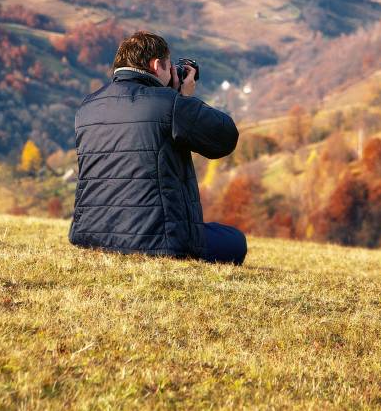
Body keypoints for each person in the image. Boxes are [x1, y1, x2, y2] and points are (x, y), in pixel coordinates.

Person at [68, 31, 247, 265]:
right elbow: (225, 138)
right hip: (159, 240)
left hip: (91, 235)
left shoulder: (87, 107)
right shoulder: (170, 104)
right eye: (169, 67)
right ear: (156, 65)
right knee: (235, 240)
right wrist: (184, 99)